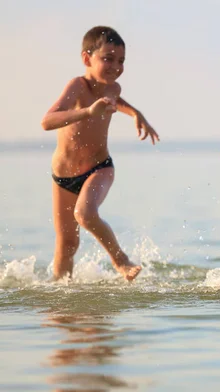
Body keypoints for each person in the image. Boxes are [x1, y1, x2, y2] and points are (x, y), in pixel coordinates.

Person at [41, 26, 160, 281]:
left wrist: (137, 114)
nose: (115, 66)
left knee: (85, 214)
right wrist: (87, 112)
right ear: (87, 58)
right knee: (67, 244)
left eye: (121, 60)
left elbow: (118, 101)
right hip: (63, 177)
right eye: (108, 58)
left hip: (99, 167)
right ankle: (63, 301)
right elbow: (47, 121)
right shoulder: (77, 86)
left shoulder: (112, 89)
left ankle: (121, 261)